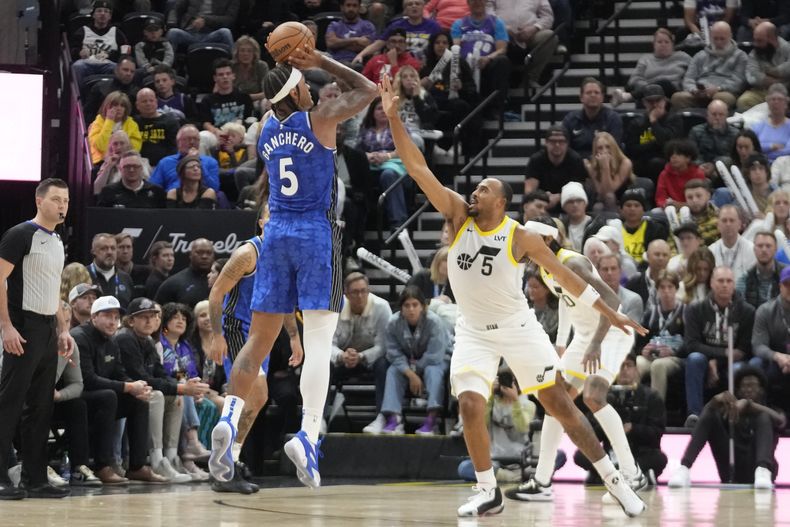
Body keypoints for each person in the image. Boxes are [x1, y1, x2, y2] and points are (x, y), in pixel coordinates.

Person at [379, 75, 647, 517]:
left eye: (484, 188)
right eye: (476, 187)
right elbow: (417, 168)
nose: (475, 191)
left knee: (559, 404)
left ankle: (615, 479)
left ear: (500, 202)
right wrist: (393, 118)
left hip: (517, 328)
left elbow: (569, 276)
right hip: (473, 331)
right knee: (468, 403)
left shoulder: (519, 237)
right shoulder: (457, 216)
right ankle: (488, 490)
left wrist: (608, 311)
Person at [209, 46, 377, 489]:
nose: (310, 85)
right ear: (296, 90)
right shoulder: (319, 119)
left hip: (276, 232)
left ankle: (228, 415)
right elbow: (370, 88)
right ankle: (308, 434)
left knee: (258, 340)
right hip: (313, 233)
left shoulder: (265, 128)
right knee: (322, 339)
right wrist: (320, 57)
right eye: (303, 82)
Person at [512, 216, 646, 501]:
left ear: (546, 240)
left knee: (593, 397)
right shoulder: (545, 267)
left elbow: (612, 301)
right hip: (584, 338)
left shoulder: (574, 263)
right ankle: (542, 481)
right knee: (555, 401)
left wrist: (596, 343)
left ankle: (633, 474)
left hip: (609, 333)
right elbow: (564, 301)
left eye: (526, 239)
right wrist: (562, 345)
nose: (520, 244)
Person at [207, 217, 304, 493]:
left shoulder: (284, 254)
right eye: (273, 216)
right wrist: (216, 335)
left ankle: (230, 461)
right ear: (262, 222)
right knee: (255, 390)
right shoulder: (247, 253)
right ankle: (224, 463)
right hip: (238, 327)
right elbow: (216, 294)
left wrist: (295, 336)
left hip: (263, 331)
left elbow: (284, 300)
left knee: (259, 397)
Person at [0, 179, 72, 500]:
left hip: (47, 329)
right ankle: (2, 475)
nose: (62, 206)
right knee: (8, 404)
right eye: (56, 199)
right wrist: (6, 327)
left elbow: (53, 287)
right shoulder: (19, 235)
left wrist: (64, 328)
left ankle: (35, 478)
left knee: (41, 407)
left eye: (66, 201)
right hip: (22, 327)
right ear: (39, 200)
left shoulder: (57, 239)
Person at [71, 295, 168, 484]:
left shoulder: (111, 341)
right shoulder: (80, 337)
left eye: (116, 317)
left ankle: (138, 466)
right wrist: (126, 386)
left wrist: (135, 387)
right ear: (94, 317)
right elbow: (87, 380)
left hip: (101, 395)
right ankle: (102, 466)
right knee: (109, 396)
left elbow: (119, 372)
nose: (112, 322)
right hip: (78, 395)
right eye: (107, 316)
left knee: (138, 400)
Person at [114, 297, 210, 483]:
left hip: (140, 390)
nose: (150, 321)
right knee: (158, 395)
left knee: (175, 397)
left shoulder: (148, 340)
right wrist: (180, 387)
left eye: (153, 316)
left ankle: (171, 457)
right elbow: (143, 377)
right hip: (124, 392)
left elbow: (160, 373)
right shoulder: (126, 338)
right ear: (131, 320)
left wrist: (179, 389)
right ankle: (156, 459)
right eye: (143, 317)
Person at [668, 366, 784, 488]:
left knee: (764, 416)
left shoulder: (771, 410)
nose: (749, 389)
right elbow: (707, 420)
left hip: (758, 468)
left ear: (761, 390)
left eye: (753, 385)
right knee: (710, 412)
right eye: (744, 386)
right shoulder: (729, 411)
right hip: (731, 467)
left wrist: (749, 404)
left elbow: (781, 421)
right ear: (738, 391)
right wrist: (713, 403)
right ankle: (684, 468)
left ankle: (762, 470)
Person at [572, 354, 667, 483]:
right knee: (580, 456)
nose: (625, 370)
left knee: (659, 458)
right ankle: (633, 475)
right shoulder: (603, 397)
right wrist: (608, 427)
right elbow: (591, 434)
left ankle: (606, 475)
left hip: (639, 453)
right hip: (610, 454)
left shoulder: (651, 397)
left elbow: (657, 434)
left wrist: (632, 429)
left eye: (629, 365)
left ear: (636, 370)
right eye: (621, 366)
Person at [683, 266, 755, 427]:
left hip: (733, 362)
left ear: (734, 285)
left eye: (729, 281)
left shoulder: (747, 311)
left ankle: (738, 416)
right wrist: (716, 357)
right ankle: (694, 416)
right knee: (694, 359)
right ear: (712, 283)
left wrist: (716, 360)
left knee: (738, 368)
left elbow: (743, 350)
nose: (724, 285)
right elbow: (691, 345)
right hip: (704, 359)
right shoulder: (696, 309)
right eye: (720, 281)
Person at [379, 286, 451, 435]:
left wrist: (415, 370)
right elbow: (393, 353)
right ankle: (394, 419)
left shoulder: (434, 322)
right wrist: (411, 374)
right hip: (408, 362)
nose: (411, 309)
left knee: (433, 371)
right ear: (401, 308)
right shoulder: (393, 323)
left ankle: (432, 420)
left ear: (423, 307)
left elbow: (434, 355)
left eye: (415, 305)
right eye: (407, 305)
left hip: (438, 359)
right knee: (393, 370)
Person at [332, 273, 393, 433]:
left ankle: (382, 416)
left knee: (385, 364)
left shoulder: (382, 307)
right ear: (346, 294)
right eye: (355, 292)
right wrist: (340, 355)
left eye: (363, 291)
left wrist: (361, 356)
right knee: (322, 364)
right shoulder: (335, 307)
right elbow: (328, 344)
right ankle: (319, 418)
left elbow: (384, 346)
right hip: (343, 359)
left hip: (371, 359)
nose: (360, 296)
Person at [450, 0, 512, 119]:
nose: (477, 2)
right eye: (473, 0)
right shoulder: (459, 24)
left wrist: (488, 58)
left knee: (502, 61)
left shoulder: (496, 22)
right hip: (465, 65)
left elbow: (502, 49)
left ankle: (496, 108)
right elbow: (456, 47)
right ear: (468, 3)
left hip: (487, 64)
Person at [671, 21, 748, 110]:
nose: (718, 42)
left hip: (723, 92)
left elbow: (738, 82)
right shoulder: (700, 55)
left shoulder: (740, 56)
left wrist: (718, 89)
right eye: (715, 38)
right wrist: (694, 90)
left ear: (730, 36)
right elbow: (688, 78)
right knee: (677, 98)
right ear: (711, 37)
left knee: (722, 99)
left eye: (722, 39)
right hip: (699, 93)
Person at [635, 271, 686, 400]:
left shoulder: (686, 312)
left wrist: (673, 352)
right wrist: (643, 350)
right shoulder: (650, 313)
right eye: (662, 287)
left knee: (658, 366)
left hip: (676, 357)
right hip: (652, 355)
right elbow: (640, 342)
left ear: (676, 289)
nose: (666, 291)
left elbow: (692, 342)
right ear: (657, 290)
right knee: (637, 363)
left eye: (670, 287)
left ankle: (656, 411)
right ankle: (634, 405)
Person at [611, 28, 691, 107]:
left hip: (672, 93)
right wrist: (649, 88)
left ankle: (628, 96)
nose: (663, 45)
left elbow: (693, 74)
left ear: (672, 44)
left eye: (667, 42)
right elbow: (634, 79)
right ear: (653, 44)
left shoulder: (682, 57)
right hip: (648, 94)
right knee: (650, 94)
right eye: (659, 42)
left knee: (664, 83)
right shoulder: (645, 59)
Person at [489, 0, 557, 88]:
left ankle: (531, 78)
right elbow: (488, 13)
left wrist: (535, 28)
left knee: (549, 36)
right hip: (502, 33)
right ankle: (500, 85)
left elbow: (548, 16)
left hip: (531, 34)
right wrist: (503, 28)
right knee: (494, 37)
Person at [624, 84, 684, 184]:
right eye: (650, 101)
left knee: (656, 163)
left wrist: (654, 122)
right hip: (642, 162)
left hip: (665, 161)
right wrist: (654, 144)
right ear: (644, 102)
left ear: (665, 101)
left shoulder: (674, 119)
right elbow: (631, 149)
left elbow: (667, 144)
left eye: (658, 100)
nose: (655, 105)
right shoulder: (636, 123)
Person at [354, 0, 442, 64]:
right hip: (399, 64)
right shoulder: (396, 25)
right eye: (410, 4)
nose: (414, 6)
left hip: (424, 66)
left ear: (423, 7)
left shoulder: (434, 26)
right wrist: (361, 55)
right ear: (405, 9)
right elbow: (379, 43)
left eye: (417, 4)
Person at [524, 125, 587, 214]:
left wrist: (558, 197)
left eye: (561, 141)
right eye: (553, 141)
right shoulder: (536, 160)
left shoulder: (575, 160)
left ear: (567, 143)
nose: (557, 145)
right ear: (546, 142)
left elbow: (578, 190)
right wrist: (544, 197)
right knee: (529, 204)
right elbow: (529, 191)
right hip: (542, 201)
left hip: (567, 201)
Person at [69, 0, 129, 90]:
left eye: (106, 11)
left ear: (110, 16)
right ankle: (79, 97)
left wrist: (110, 55)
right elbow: (71, 50)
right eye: (99, 11)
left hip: (107, 65)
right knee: (77, 66)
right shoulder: (82, 31)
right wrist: (79, 52)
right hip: (86, 64)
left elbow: (125, 54)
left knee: (117, 68)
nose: (103, 14)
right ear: (93, 14)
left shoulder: (117, 33)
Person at [751, 266, 790, 395]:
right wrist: (777, 357)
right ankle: (757, 411)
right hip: (774, 361)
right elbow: (758, 345)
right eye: (787, 284)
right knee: (755, 364)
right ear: (780, 286)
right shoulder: (765, 310)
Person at [562, 77, 622, 159]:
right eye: (588, 92)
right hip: (577, 165)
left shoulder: (613, 119)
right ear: (581, 98)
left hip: (604, 163)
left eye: (596, 93)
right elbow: (564, 148)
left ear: (602, 97)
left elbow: (614, 149)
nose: (593, 95)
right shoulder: (570, 119)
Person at [149, 124, 220, 192]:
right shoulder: (165, 162)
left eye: (195, 139)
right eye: (188, 139)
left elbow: (214, 188)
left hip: (201, 200)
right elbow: (153, 188)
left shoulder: (210, 162)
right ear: (178, 142)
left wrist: (197, 162)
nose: (192, 142)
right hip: (173, 200)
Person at [737, 22, 790, 112]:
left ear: (772, 39)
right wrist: (779, 80)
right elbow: (751, 77)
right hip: (762, 91)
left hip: (787, 91)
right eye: (755, 40)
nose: (755, 44)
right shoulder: (754, 53)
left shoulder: (787, 49)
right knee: (743, 101)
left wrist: (770, 71)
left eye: (759, 41)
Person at [155, 238, 214, 308]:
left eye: (209, 253)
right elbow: (157, 314)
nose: (204, 256)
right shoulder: (172, 284)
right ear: (190, 255)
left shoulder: (223, 282)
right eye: (199, 252)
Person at [688, 99, 739, 180]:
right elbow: (692, 153)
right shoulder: (696, 131)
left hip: (726, 172)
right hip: (700, 170)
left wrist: (714, 166)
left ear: (726, 115)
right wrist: (701, 166)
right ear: (707, 115)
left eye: (721, 114)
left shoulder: (735, 134)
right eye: (714, 114)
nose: (717, 118)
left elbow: (734, 157)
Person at [584, 131, 635, 211]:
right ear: (596, 151)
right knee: (597, 207)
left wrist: (605, 167)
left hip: (623, 203)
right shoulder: (593, 165)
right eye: (600, 148)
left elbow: (609, 191)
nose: (604, 151)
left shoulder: (625, 162)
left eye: (608, 147)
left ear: (614, 147)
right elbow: (601, 193)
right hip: (602, 202)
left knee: (609, 197)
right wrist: (593, 169)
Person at [88, 91, 142, 165]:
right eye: (115, 105)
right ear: (107, 107)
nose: (119, 108)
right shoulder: (98, 122)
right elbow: (101, 146)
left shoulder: (131, 124)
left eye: (122, 106)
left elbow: (135, 148)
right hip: (101, 162)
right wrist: (109, 121)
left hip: (125, 161)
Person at [97, 151, 166, 208]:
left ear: (141, 168)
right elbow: (102, 219)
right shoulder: (108, 191)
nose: (131, 170)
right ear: (120, 169)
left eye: (135, 166)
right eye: (127, 167)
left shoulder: (157, 191)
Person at [619, 188, 669, 266]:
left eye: (636, 205)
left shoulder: (655, 229)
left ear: (643, 209)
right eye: (628, 205)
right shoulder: (614, 228)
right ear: (621, 210)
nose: (632, 209)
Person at [736, 231, 785, 308]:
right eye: (760, 246)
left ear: (776, 249)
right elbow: (742, 313)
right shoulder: (744, 280)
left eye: (768, 246)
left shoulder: (787, 277)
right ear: (754, 249)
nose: (764, 250)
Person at [165, 0, 236, 52]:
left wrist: (206, 20)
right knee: (173, 32)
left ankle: (234, 65)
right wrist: (172, 22)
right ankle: (167, 68)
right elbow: (175, 9)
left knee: (225, 32)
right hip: (190, 32)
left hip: (213, 34)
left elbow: (229, 19)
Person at [709, 204, 757, 282]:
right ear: (718, 225)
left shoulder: (751, 249)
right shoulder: (711, 251)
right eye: (724, 220)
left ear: (739, 224)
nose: (728, 224)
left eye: (732, 220)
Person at [87, 232, 135, 309]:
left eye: (113, 248)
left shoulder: (125, 278)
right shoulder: (83, 274)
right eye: (104, 248)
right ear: (93, 251)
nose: (109, 252)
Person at [133, 88, 179, 167]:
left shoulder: (170, 121)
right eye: (144, 101)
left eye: (151, 101)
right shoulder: (133, 123)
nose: (148, 104)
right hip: (138, 166)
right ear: (137, 105)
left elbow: (174, 148)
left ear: (156, 102)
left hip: (165, 165)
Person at [655, 139, 704, 208]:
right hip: (670, 209)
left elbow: (701, 199)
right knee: (654, 213)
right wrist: (665, 205)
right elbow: (660, 198)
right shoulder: (664, 174)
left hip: (693, 209)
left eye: (678, 154)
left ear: (688, 158)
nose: (673, 157)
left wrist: (680, 205)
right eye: (671, 154)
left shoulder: (698, 173)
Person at [326, 0, 377, 66]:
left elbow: (369, 46)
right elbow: (331, 43)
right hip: (336, 63)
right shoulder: (334, 25)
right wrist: (356, 40)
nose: (351, 9)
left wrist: (339, 44)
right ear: (342, 7)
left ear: (359, 8)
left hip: (359, 64)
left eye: (354, 6)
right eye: (348, 5)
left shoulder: (368, 26)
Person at [597, 253, 645, 323]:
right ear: (598, 272)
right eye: (605, 269)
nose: (609, 273)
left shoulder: (633, 300)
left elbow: (630, 330)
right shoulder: (589, 297)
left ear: (620, 271)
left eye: (613, 268)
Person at [750, 83, 790, 161]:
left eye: (780, 99)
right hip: (761, 167)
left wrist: (763, 151)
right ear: (768, 102)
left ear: (786, 103)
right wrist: (771, 146)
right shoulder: (758, 126)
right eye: (773, 99)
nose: (776, 102)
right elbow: (752, 147)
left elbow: (788, 151)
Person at [231, 36, 270, 108]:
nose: (245, 54)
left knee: (265, 102)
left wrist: (247, 98)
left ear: (254, 53)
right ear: (237, 53)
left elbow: (267, 92)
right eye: (242, 50)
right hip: (234, 102)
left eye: (249, 51)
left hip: (257, 101)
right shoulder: (230, 66)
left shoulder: (261, 66)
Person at [684, 179, 719, 246]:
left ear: (708, 196)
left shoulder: (720, 217)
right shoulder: (677, 220)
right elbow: (672, 248)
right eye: (690, 197)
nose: (694, 200)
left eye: (699, 196)